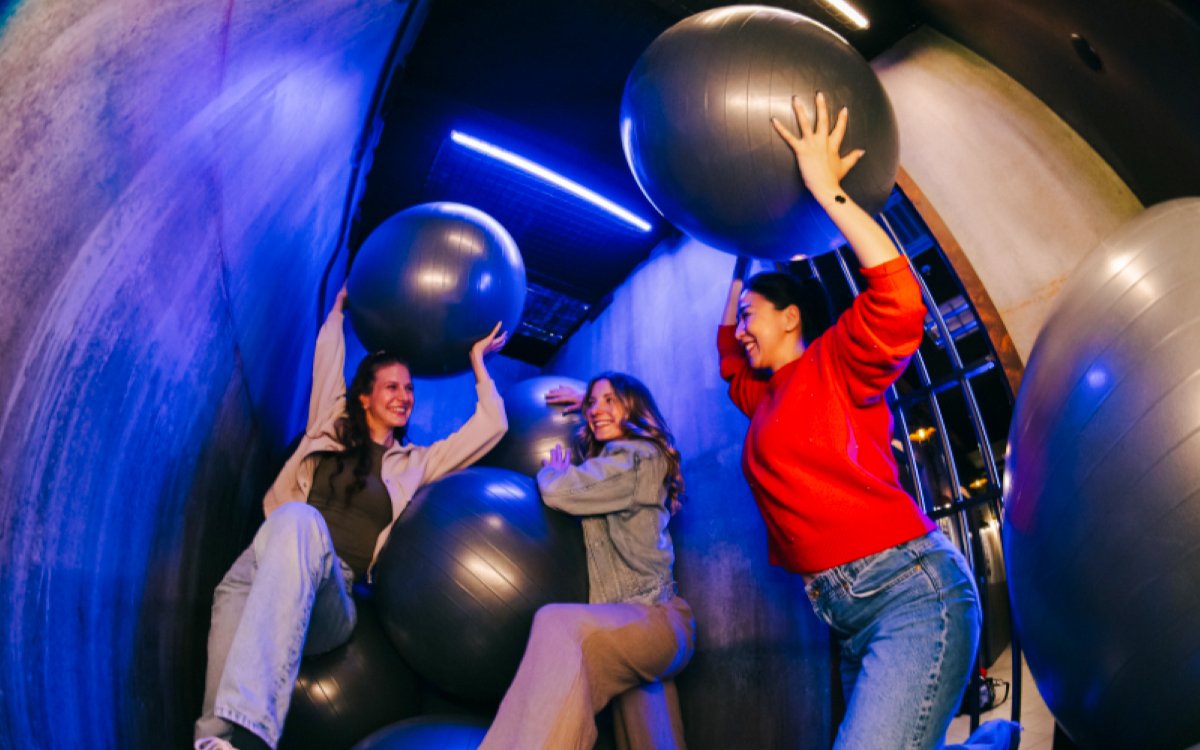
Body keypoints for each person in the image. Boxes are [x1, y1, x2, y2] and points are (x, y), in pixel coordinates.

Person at [716, 92, 981, 749]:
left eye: (752, 313)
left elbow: (896, 300)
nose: (742, 329)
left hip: (911, 595)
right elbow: (727, 357)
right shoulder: (763, 398)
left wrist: (826, 189)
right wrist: (740, 257)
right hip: (846, 615)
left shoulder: (834, 362)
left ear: (790, 315)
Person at [194, 288, 509, 750]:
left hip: (331, 592)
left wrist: (479, 361)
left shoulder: (417, 463)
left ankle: (255, 735)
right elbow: (327, 356)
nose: (405, 397)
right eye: (392, 387)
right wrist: (339, 310)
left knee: (300, 521)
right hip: (260, 565)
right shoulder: (330, 423)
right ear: (364, 396)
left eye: (409, 389)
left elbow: (492, 426)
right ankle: (213, 744)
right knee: (231, 612)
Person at [479, 373, 695, 750]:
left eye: (610, 400)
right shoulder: (623, 460)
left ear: (634, 407)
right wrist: (593, 403)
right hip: (631, 626)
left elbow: (562, 491)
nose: (597, 411)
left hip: (653, 621)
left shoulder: (638, 457)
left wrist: (555, 471)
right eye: (593, 403)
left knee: (558, 626)